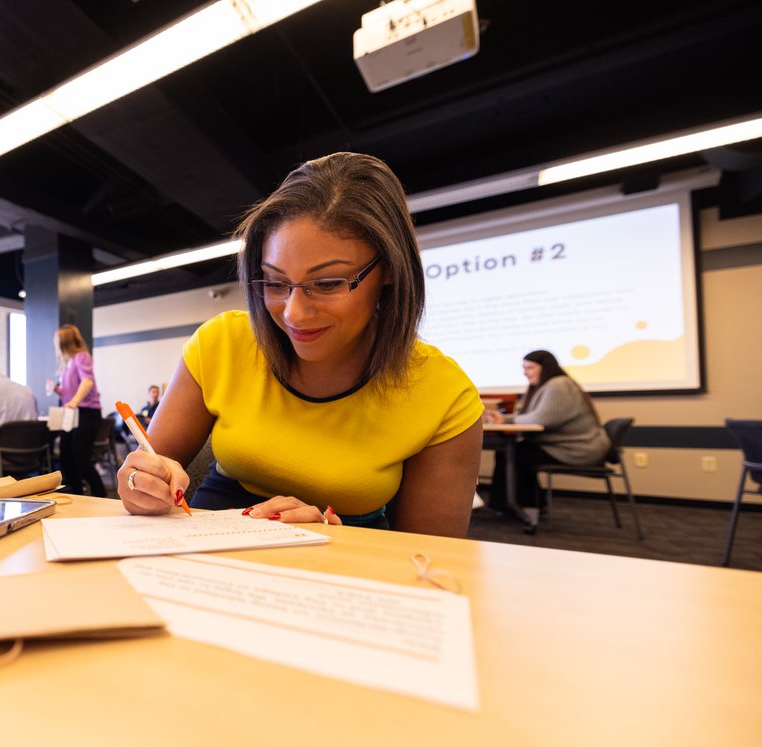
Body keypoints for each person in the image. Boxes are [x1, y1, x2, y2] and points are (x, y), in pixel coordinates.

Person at [116, 152, 484, 535]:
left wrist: (335, 541)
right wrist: (140, 482)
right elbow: (150, 472)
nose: (294, 313)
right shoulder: (222, 343)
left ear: (390, 269)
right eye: (275, 283)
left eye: (327, 284)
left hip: (342, 574)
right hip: (205, 554)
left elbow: (430, 562)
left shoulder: (443, 393)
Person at [484, 350, 610, 527]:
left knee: (516, 455)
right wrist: (505, 419)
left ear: (546, 368)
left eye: (530, 368)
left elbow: (542, 419)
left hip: (579, 449)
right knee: (515, 453)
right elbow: (532, 416)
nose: (525, 372)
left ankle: (525, 507)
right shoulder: (546, 386)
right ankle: (520, 505)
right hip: (565, 446)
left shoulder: (559, 384)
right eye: (524, 368)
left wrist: (506, 419)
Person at [46, 325, 107, 497]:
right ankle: (77, 494)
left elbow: (87, 381)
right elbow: (73, 388)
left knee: (81, 458)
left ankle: (100, 495)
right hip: (74, 413)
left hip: (87, 413)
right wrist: (58, 390)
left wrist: (74, 401)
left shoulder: (82, 356)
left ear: (64, 342)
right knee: (66, 456)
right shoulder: (68, 362)